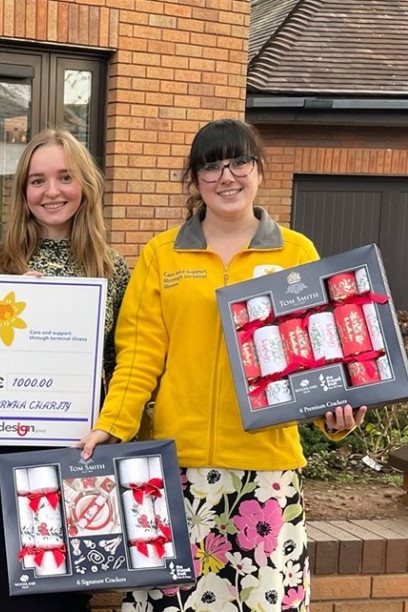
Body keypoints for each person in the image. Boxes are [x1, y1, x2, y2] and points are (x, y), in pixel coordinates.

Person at [80, 118, 367, 611]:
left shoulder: (296, 252)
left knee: (261, 601)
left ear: (259, 171)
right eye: (210, 166)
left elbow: (322, 351)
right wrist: (112, 425)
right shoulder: (162, 255)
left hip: (266, 470)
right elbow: (139, 354)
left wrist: (338, 415)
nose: (226, 176)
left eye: (239, 162)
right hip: (178, 468)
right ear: (194, 180)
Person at [0, 128, 131, 612]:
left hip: (74, 449)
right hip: (2, 444)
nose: (51, 191)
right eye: (37, 181)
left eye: (64, 177)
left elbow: (122, 361)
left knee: (61, 592)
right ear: (22, 192)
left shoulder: (111, 268)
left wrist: (112, 428)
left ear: (85, 186)